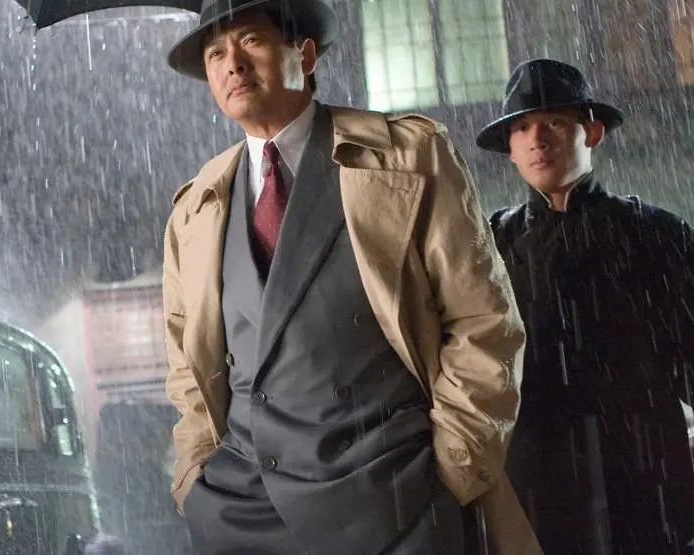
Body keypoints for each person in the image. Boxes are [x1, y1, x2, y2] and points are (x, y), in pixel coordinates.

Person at [161, 0, 539, 553]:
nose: (232, 64)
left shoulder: (408, 157)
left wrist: (451, 469)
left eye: (252, 41)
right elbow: (185, 366)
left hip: (392, 498)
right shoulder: (195, 207)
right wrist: (195, 481)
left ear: (305, 54)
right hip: (240, 511)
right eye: (215, 53)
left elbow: (484, 323)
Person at [478, 58, 694, 553]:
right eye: (522, 128)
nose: (537, 140)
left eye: (555, 122)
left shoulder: (656, 233)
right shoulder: (487, 247)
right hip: (535, 477)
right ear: (510, 149)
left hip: (646, 476)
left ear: (591, 132)